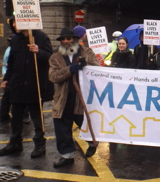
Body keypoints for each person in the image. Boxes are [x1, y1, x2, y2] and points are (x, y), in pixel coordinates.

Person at [0, 17, 53, 159]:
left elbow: (51, 58)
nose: (14, 25)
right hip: (17, 85)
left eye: (17, 22)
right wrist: (6, 80)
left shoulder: (41, 37)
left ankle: (40, 145)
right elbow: (11, 62)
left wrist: (39, 51)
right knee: (16, 117)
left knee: (37, 118)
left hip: (34, 84)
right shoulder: (15, 39)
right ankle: (15, 143)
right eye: (13, 23)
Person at [49, 27, 101, 167]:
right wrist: (69, 70)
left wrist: (86, 66)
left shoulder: (87, 53)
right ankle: (67, 156)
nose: (66, 42)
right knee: (62, 128)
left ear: (75, 40)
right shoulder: (55, 56)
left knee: (85, 124)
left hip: (82, 98)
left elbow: (97, 70)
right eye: (63, 39)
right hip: (63, 98)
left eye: (68, 38)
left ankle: (92, 142)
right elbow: (53, 76)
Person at [0, 35, 13, 123]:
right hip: (10, 76)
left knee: (6, 97)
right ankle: (3, 116)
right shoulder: (11, 51)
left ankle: (4, 115)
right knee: (8, 97)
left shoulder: (8, 50)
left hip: (7, 75)